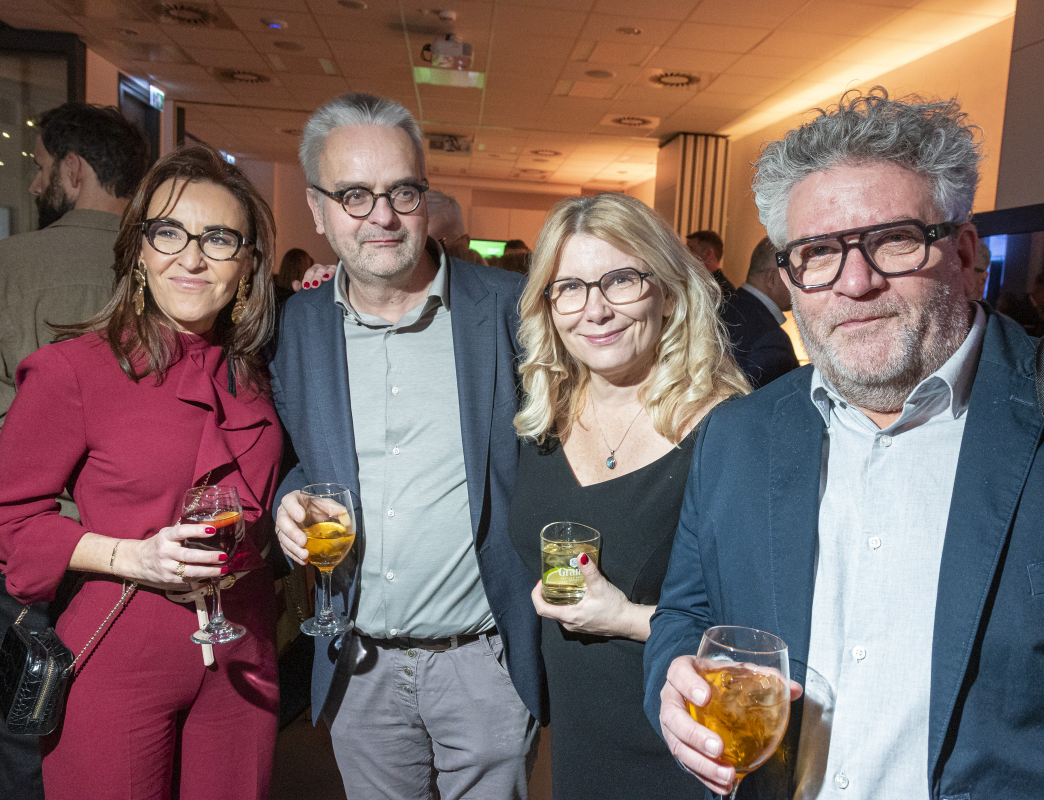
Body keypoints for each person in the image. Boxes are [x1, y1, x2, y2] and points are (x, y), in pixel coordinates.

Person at [645, 88, 1044, 800]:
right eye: (818, 252)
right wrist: (673, 685)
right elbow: (687, 616)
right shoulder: (738, 436)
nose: (856, 283)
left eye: (894, 240)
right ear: (789, 278)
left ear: (965, 253)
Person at [0, 145, 284, 800]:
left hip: (243, 656)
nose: (191, 258)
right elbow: (4, 524)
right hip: (121, 653)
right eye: (169, 233)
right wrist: (131, 556)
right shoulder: (75, 371)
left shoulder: (259, 374)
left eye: (218, 239)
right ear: (139, 250)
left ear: (249, 263)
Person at [271, 92, 541, 799]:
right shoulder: (298, 325)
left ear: (425, 195)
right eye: (354, 196)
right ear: (318, 209)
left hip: (482, 663)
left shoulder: (508, 309)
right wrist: (287, 501)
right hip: (358, 665)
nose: (382, 217)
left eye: (402, 192)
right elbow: (293, 457)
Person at [507, 192, 748, 799]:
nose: (596, 309)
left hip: (682, 741)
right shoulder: (543, 416)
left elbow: (759, 629)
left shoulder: (727, 430)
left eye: (621, 280)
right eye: (569, 287)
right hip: (577, 739)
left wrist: (626, 618)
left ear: (668, 292)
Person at [0, 101, 147, 800]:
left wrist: (41, 473)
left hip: (14, 543)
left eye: (39, 168)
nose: (35, 183)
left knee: (15, 729)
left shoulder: (2, 266)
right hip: (129, 540)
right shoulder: (162, 269)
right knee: (118, 729)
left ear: (73, 169)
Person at [721, 236, 800, 388]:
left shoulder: (722, 309)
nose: (798, 287)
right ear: (772, 278)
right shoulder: (771, 340)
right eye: (794, 277)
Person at [686, 229, 735, 295]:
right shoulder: (691, 282)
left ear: (708, 253)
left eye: (691, 249)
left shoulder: (724, 292)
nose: (686, 254)